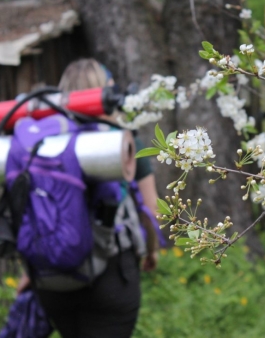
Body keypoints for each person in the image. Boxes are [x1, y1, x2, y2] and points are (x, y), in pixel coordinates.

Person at [16, 58, 160, 338]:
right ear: (105, 94)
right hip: (111, 276)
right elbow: (152, 210)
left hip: (52, 282)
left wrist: (28, 272)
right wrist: (151, 250)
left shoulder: (41, 146)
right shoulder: (122, 141)